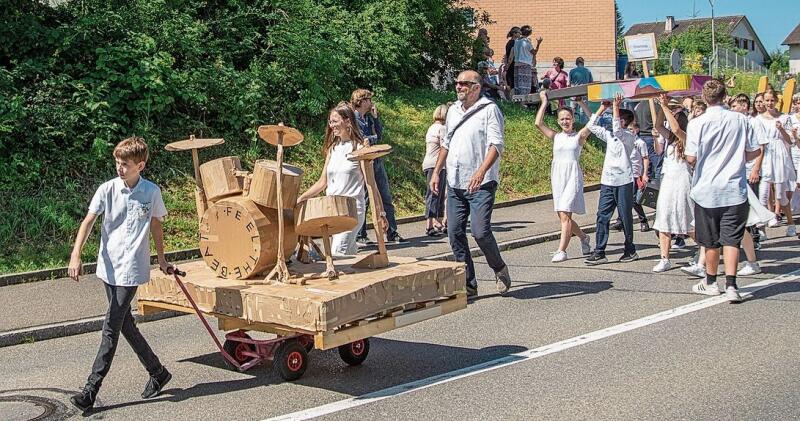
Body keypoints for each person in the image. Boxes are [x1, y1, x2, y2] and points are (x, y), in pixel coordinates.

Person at [67, 137, 174, 412]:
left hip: (132, 270)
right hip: (108, 267)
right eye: (117, 162)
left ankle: (90, 390)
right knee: (125, 324)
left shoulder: (151, 192)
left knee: (110, 329)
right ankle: (158, 372)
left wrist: (161, 259)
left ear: (140, 165)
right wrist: (76, 254)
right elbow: (88, 221)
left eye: (125, 164)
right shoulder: (107, 190)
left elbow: (156, 226)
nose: (119, 168)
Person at [429, 70, 511, 297]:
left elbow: (496, 145)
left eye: (464, 84)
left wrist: (481, 171)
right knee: (454, 232)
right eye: (457, 83)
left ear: (476, 87)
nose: (459, 87)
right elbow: (446, 143)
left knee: (480, 232)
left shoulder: (489, 110)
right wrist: (436, 172)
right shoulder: (453, 110)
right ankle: (468, 283)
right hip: (455, 183)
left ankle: (499, 268)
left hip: (481, 184)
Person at [685, 79, 761, 302]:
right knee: (731, 239)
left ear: (705, 98)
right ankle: (731, 285)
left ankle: (710, 282)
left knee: (709, 240)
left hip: (706, 189)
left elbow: (691, 157)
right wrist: (737, 158)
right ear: (725, 95)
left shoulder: (697, 123)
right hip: (733, 188)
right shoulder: (740, 119)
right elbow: (754, 151)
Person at [297, 102, 384, 256]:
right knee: (347, 255)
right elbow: (322, 182)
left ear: (348, 121)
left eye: (335, 121)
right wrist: (301, 198)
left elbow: (371, 184)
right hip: (333, 210)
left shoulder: (359, 149)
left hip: (352, 211)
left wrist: (380, 213)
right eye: (330, 121)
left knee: (338, 252)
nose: (332, 125)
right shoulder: (333, 149)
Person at [536, 91, 592, 262]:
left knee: (566, 215)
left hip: (572, 176)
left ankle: (562, 250)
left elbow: (593, 122)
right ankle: (583, 237)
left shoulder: (579, 137)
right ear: (558, 121)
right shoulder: (556, 136)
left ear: (573, 119)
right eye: (562, 119)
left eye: (568, 118)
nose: (565, 121)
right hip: (558, 176)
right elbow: (538, 123)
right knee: (562, 216)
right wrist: (544, 102)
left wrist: (582, 104)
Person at [584, 93, 639, 265]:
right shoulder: (610, 136)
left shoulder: (629, 137)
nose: (616, 120)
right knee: (602, 215)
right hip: (608, 180)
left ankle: (630, 249)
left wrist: (616, 106)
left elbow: (617, 129)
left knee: (625, 216)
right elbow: (591, 126)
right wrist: (602, 108)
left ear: (625, 122)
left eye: (620, 118)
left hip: (624, 181)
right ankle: (600, 251)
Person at [350, 89, 408, 245]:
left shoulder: (368, 119)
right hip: (364, 162)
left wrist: (376, 119)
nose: (371, 103)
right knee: (365, 197)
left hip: (377, 160)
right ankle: (360, 234)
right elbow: (362, 139)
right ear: (361, 101)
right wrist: (373, 139)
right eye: (369, 99)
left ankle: (392, 231)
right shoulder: (354, 119)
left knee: (385, 196)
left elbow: (378, 136)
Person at [651, 93, 694, 272]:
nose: (671, 121)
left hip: (683, 182)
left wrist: (666, 107)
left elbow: (676, 130)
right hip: (669, 181)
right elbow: (658, 126)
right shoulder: (669, 140)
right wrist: (663, 108)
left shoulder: (687, 139)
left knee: (688, 220)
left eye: (674, 118)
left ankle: (707, 248)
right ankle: (665, 258)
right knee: (664, 218)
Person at [752, 89, 797, 237]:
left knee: (780, 194)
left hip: (779, 155)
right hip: (765, 154)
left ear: (776, 101)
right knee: (763, 193)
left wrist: (781, 129)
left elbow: (790, 141)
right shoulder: (758, 119)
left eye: (772, 100)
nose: (769, 103)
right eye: (767, 100)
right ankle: (761, 228)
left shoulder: (784, 118)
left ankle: (790, 223)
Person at [423, 104, 449, 236]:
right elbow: (445, 147)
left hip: (428, 163)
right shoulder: (442, 128)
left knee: (433, 194)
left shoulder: (431, 128)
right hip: (437, 165)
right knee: (436, 195)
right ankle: (430, 225)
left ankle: (437, 222)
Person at [510, 25, 542, 95]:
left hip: (517, 63)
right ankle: (523, 102)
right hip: (525, 64)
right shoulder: (527, 42)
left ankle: (517, 101)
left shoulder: (516, 41)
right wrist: (538, 44)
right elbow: (534, 52)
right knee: (525, 86)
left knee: (518, 84)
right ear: (530, 33)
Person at [503, 27, 521, 94]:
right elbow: (511, 55)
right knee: (512, 83)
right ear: (514, 33)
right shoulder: (513, 43)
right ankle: (511, 100)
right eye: (519, 33)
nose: (520, 34)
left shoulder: (509, 42)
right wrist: (508, 64)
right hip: (512, 65)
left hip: (510, 64)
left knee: (511, 83)